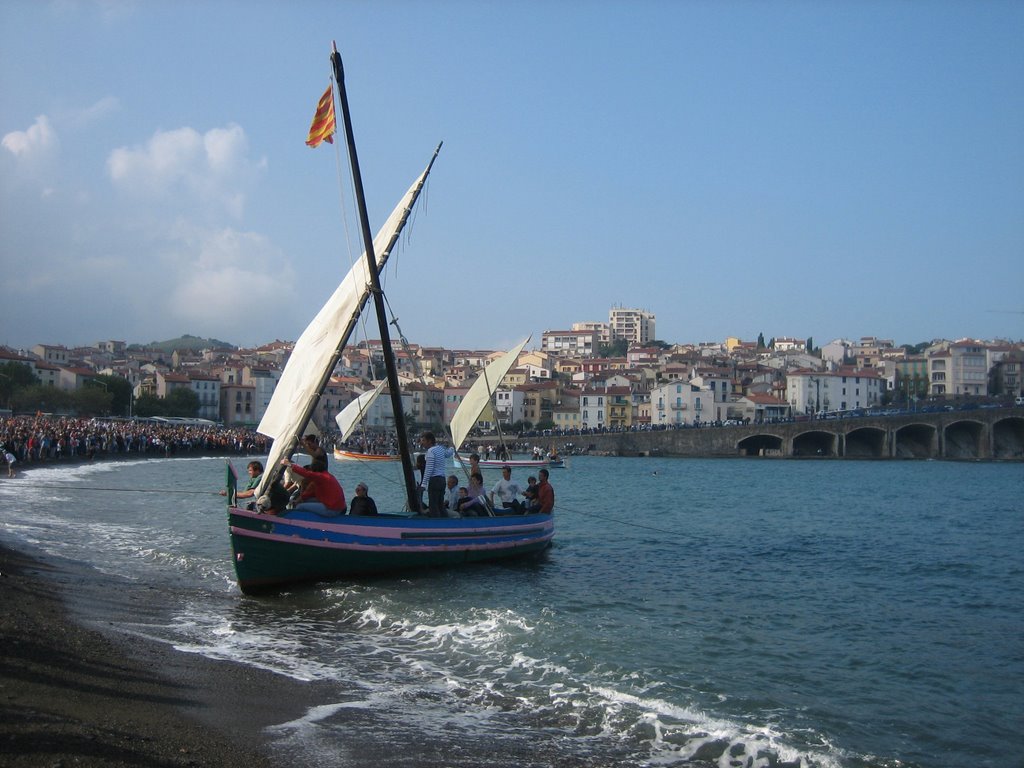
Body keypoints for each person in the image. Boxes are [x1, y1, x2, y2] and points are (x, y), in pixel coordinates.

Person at [280, 456, 346, 516]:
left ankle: (299, 523)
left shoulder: (321, 477)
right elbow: (306, 495)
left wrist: (289, 464)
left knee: (300, 507)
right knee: (306, 501)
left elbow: (306, 473)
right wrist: (297, 500)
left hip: (332, 510)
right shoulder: (327, 476)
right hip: (337, 507)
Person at [419, 432, 453, 516]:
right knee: (440, 504)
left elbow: (429, 469)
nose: (422, 443)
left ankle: (436, 523)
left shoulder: (430, 451)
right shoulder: (440, 449)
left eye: (423, 440)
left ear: (429, 441)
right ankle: (444, 521)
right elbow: (448, 454)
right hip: (442, 480)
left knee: (433, 505)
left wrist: (423, 484)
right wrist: (452, 448)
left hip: (434, 480)